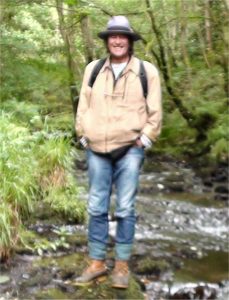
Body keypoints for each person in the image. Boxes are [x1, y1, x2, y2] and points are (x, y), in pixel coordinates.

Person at [75, 15, 162, 288]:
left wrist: (145, 139)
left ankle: (121, 266)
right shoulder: (93, 69)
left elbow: (155, 111)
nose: (117, 41)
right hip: (96, 149)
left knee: (125, 208)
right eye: (113, 36)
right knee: (96, 206)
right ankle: (97, 263)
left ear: (129, 41)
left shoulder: (146, 72)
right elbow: (83, 106)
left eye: (122, 36)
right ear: (107, 41)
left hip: (130, 150)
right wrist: (82, 135)